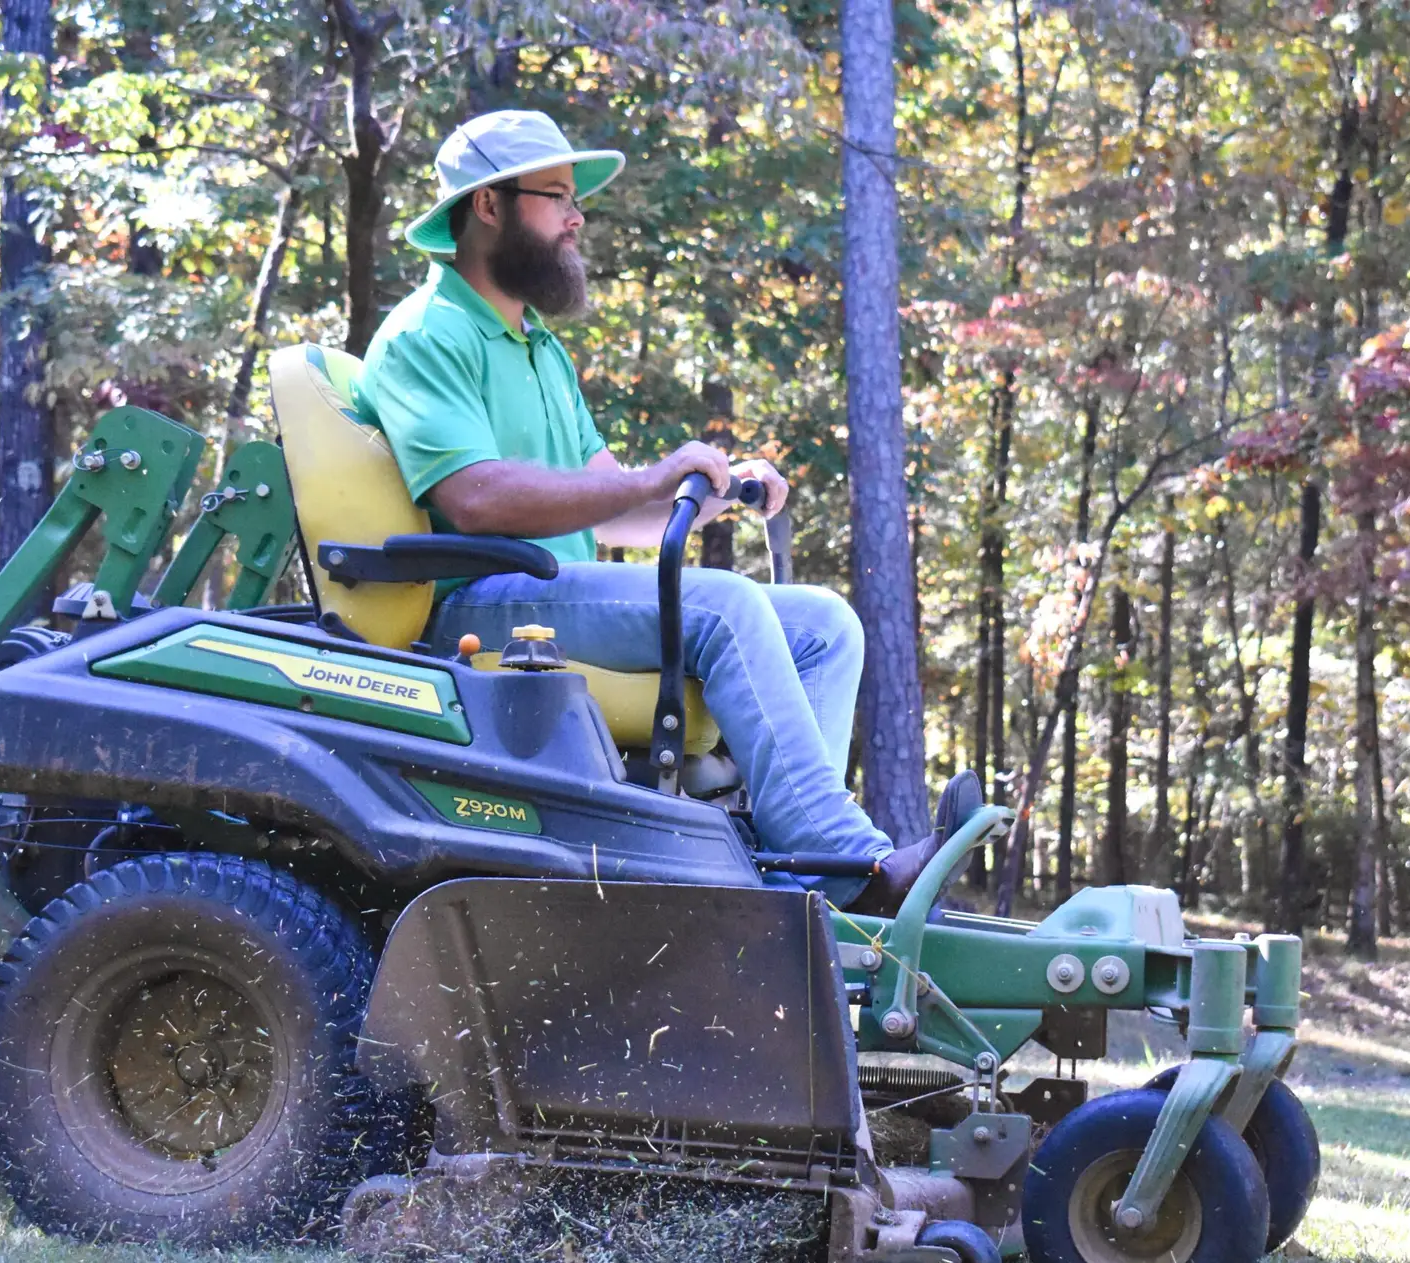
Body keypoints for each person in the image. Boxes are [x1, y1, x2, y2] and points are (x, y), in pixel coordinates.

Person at [353, 110, 969, 912]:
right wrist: (655, 476)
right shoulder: (425, 336)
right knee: (726, 604)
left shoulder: (539, 347)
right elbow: (475, 500)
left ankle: (777, 856)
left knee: (823, 622)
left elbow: (616, 511)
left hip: (548, 589)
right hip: (474, 603)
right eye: (558, 197)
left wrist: (709, 496)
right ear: (489, 208)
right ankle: (843, 864)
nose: (577, 218)